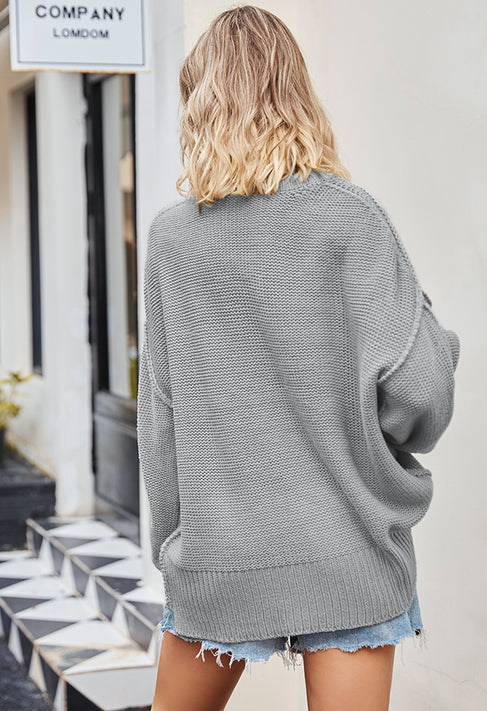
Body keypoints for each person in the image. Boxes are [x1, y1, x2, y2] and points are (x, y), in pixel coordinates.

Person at [136, 5, 460, 711]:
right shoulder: (351, 218)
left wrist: (178, 553)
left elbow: (160, 422)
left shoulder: (171, 240)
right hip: (347, 546)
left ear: (200, 100)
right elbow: (423, 390)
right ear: (296, 92)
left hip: (219, 556)